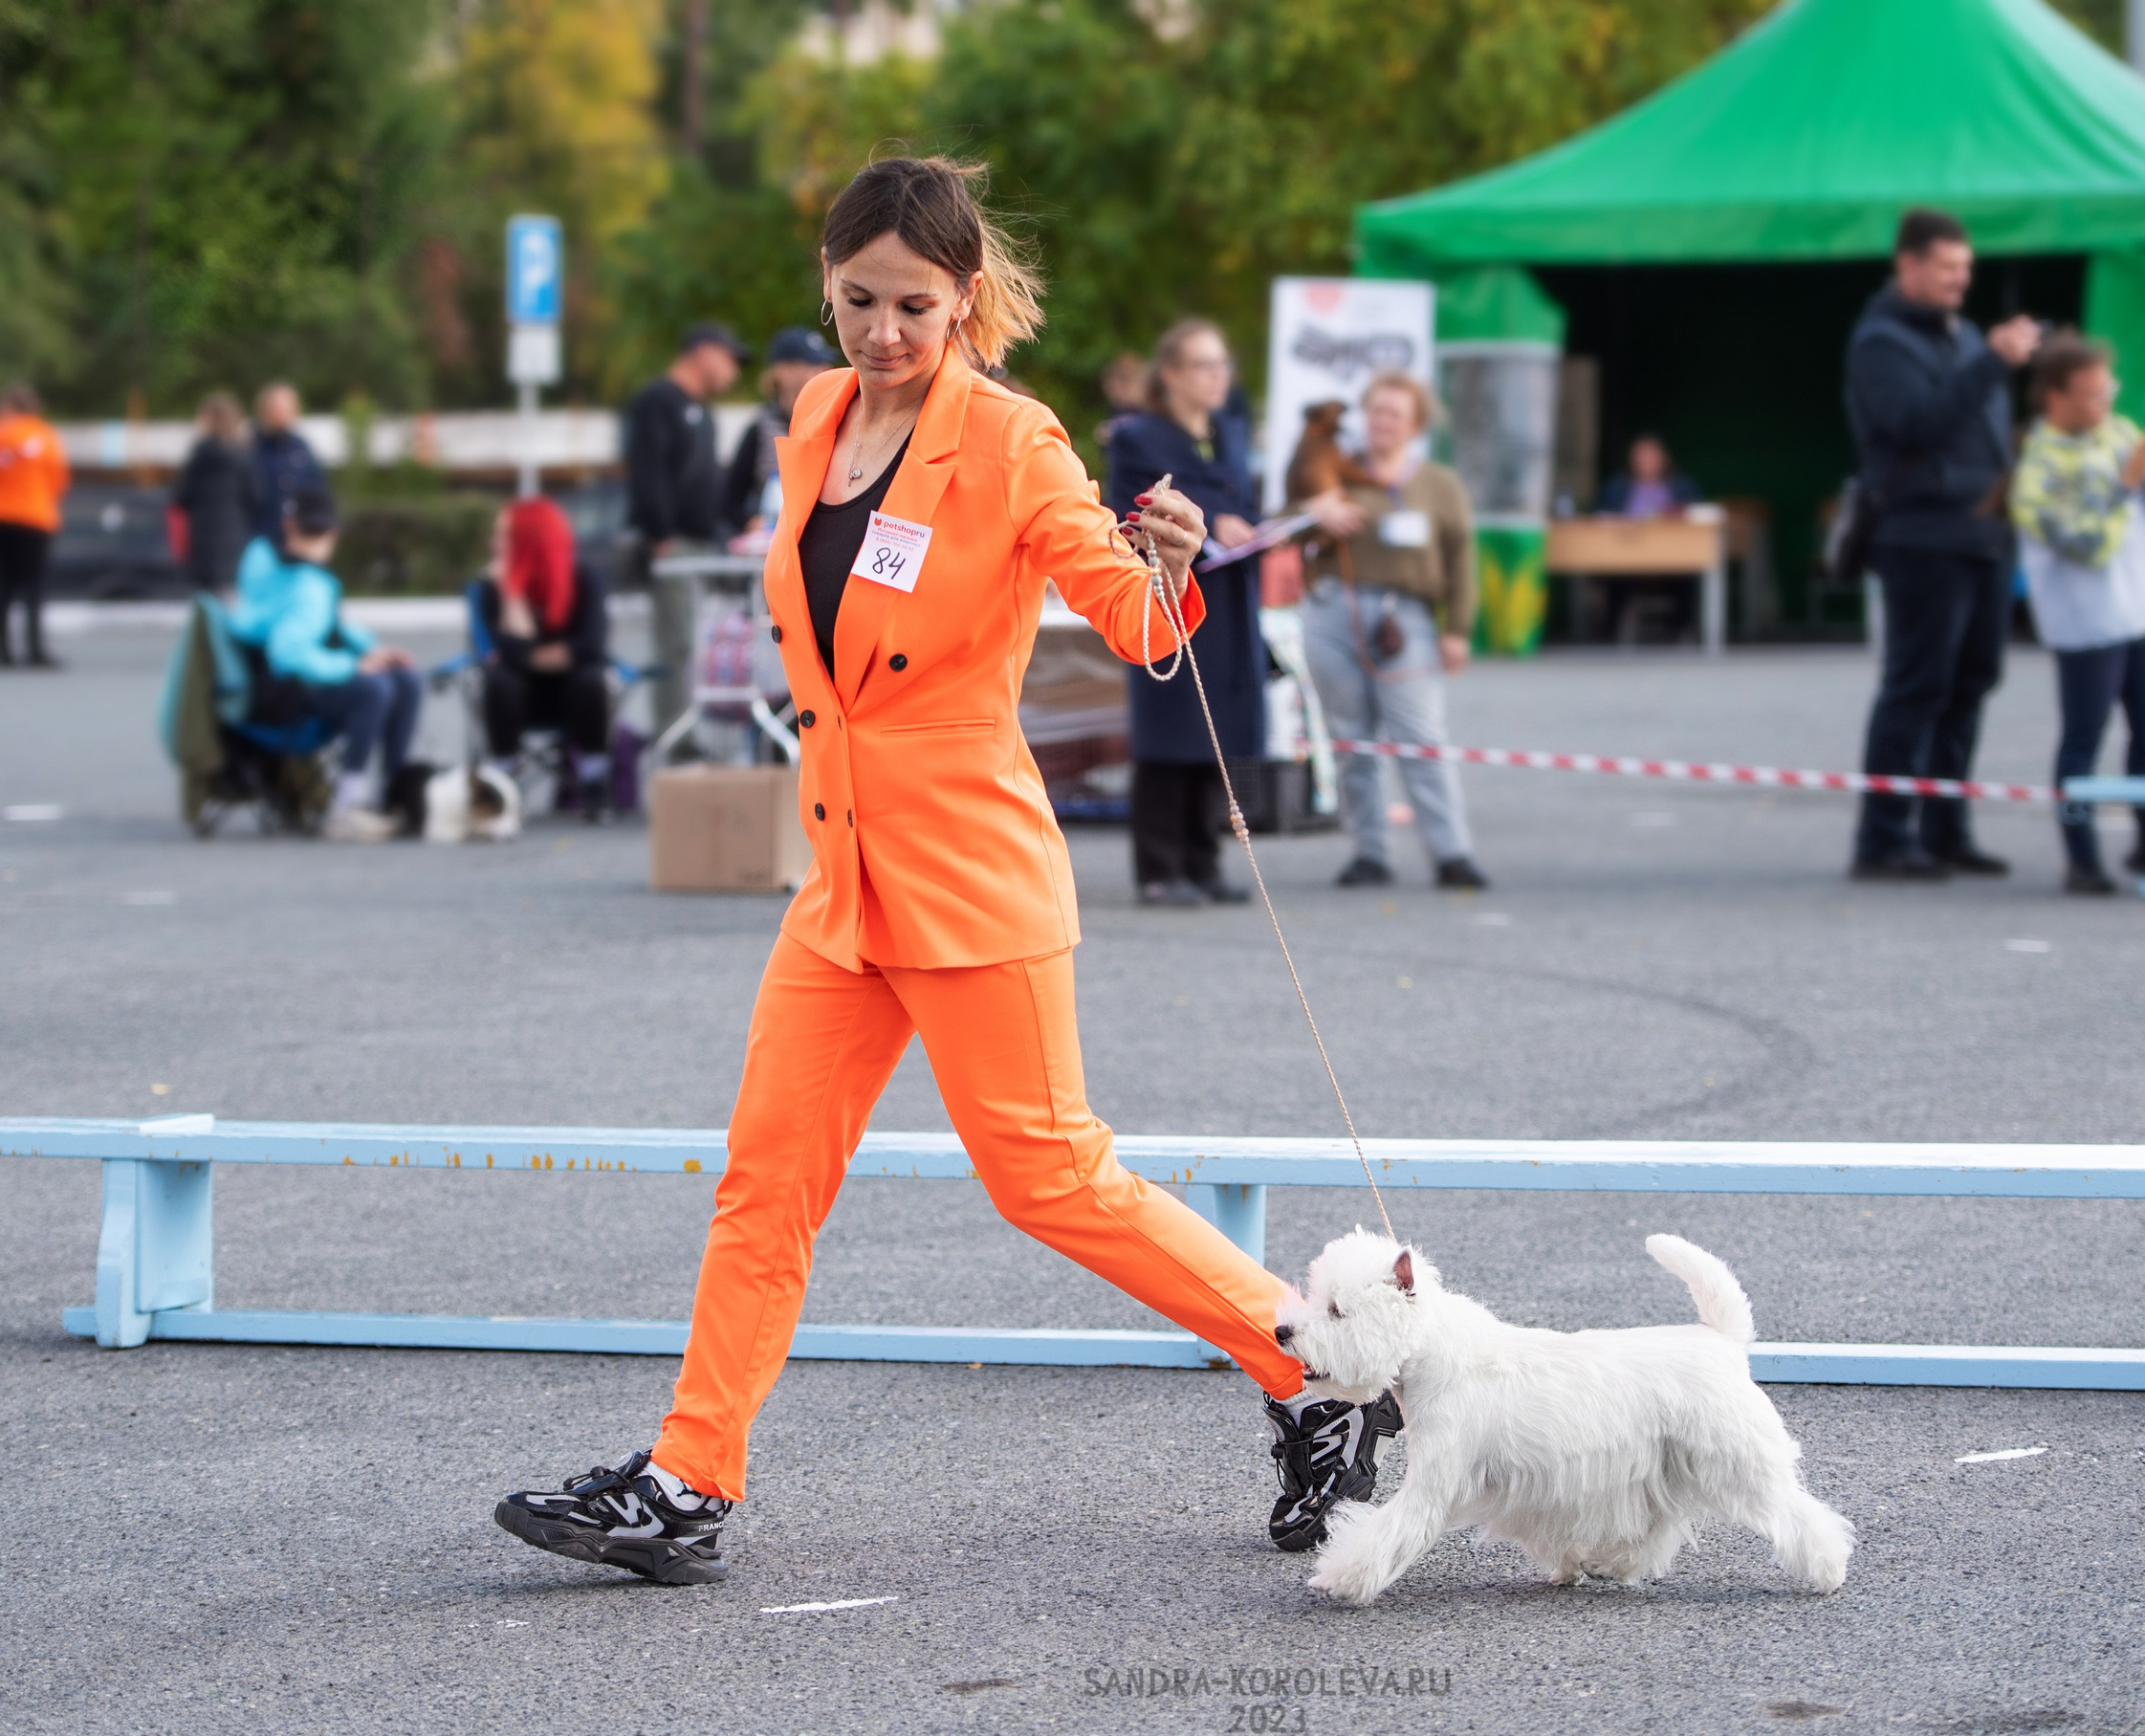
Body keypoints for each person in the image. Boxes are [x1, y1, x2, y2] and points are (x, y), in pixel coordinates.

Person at [492, 156, 1401, 1586]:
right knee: (765, 1182)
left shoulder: (1018, 440)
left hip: (973, 872)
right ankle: (688, 1480)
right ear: (827, 287)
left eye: (916, 305)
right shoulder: (810, 416)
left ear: (965, 299)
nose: (884, 333)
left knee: (1053, 1180)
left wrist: (1168, 562)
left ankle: (1315, 1380)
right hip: (845, 873)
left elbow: (1128, 612)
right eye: (857, 301)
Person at [1845, 208, 2041, 881]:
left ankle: (1946, 827)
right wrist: (1992, 362)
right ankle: (1883, 837)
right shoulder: (1881, 344)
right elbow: (1919, 424)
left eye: (1967, 268)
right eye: (1949, 267)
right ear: (1909, 265)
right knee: (1916, 686)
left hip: (1984, 535)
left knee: (1971, 683)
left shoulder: (1959, 337)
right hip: (1922, 537)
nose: (1962, 280)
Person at [2010, 335, 2145, 894]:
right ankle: (2081, 857)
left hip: (2142, 609)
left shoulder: (2119, 432)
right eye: (2091, 395)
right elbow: (2086, 543)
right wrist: (2127, 481)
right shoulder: (2038, 467)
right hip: (2085, 623)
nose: (2104, 405)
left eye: (2108, 391)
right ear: (2054, 397)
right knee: (2083, 739)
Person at [1301, 371, 1490, 890]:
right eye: (1376, 411)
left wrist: (1458, 629)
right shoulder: (1334, 471)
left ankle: (1452, 852)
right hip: (1334, 609)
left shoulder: (1438, 485)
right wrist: (1315, 512)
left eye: (1395, 414)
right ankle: (1369, 853)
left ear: (1416, 425)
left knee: (1421, 735)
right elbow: (1282, 524)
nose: (1383, 422)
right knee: (1350, 737)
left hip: (1405, 617)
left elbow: (1461, 559)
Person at [1104, 318, 1264, 905]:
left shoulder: (1230, 432)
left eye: (1223, 364)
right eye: (1204, 364)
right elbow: (1126, 512)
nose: (1219, 377)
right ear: (1170, 374)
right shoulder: (1139, 437)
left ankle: (1203, 859)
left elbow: (1241, 499)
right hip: (1171, 595)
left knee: (1216, 728)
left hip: (1229, 599)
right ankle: (1158, 867)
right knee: (1171, 727)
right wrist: (1206, 520)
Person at [229, 486, 422, 842]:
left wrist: (369, 651)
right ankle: (347, 805)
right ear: (289, 525)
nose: (316, 542)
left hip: (283, 681)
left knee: (405, 677)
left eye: (321, 532)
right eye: (311, 532)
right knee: (373, 688)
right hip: (279, 696)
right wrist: (351, 666)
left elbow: (321, 626)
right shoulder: (305, 582)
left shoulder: (280, 563)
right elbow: (288, 649)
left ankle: (393, 793)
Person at [625, 320, 749, 744]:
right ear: (703, 351)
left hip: (704, 544)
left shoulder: (706, 414)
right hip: (674, 544)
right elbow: (648, 474)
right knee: (676, 647)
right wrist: (659, 535)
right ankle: (674, 740)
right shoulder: (658, 402)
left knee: (703, 645)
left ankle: (694, 734)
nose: (733, 371)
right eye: (729, 358)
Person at [476, 497, 614, 819]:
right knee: (499, 681)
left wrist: (528, 656)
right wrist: (512, 595)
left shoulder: (584, 577)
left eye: (504, 536)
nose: (494, 543)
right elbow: (503, 653)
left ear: (529, 541)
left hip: (573, 696)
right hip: (521, 700)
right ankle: (504, 778)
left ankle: (593, 778)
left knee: (591, 679)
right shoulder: (491, 587)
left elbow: (591, 645)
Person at [723, 326, 841, 538]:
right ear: (783, 371)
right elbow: (731, 500)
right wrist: (750, 522)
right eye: (812, 363)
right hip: (775, 543)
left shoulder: (837, 422)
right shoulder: (759, 429)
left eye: (824, 363)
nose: (824, 370)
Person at [0, 382, 69, 669]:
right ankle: (35, 649)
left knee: (3, 586)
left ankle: (3, 651)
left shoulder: (2, 433)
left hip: (3, 518)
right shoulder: (45, 435)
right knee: (34, 587)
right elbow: (59, 479)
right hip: (37, 519)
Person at [172, 392, 257, 593]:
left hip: (202, 540)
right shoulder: (243, 455)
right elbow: (256, 495)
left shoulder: (200, 455)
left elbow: (181, 496)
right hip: (235, 539)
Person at [248, 383, 326, 545]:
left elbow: (317, 489)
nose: (284, 415)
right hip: (260, 540)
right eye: (279, 410)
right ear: (265, 412)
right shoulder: (250, 448)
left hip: (297, 542)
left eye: (289, 409)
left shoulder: (301, 448)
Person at [1598, 433, 1698, 518]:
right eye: (1641, 456)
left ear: (1664, 458)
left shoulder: (1682, 486)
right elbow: (1603, 517)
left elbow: (1695, 517)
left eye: (1651, 456)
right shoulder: (1617, 486)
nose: (1647, 461)